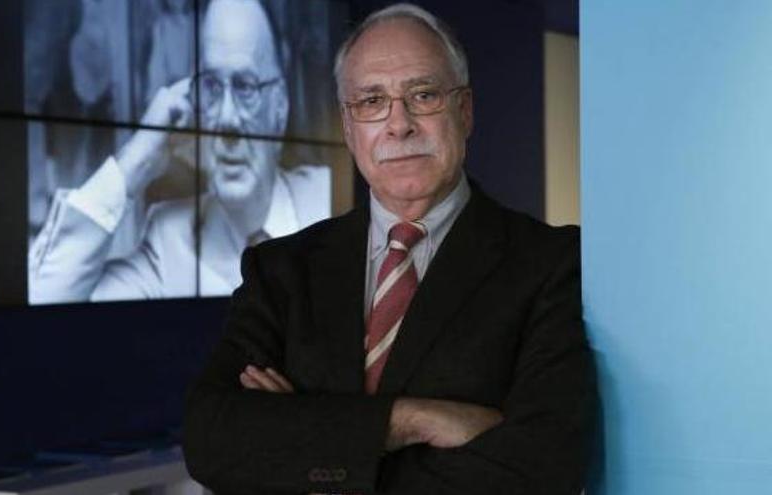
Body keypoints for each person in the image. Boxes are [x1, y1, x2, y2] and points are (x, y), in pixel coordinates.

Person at [181, 3, 595, 494]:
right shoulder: (281, 270)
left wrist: (309, 442)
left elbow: (537, 468)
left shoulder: (552, 263)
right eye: (371, 101)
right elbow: (210, 440)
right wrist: (406, 421)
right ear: (349, 127)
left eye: (422, 96)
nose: (398, 125)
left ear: (464, 111)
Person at [28, 0, 330, 304]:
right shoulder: (166, 241)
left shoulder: (331, 202)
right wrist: (137, 159)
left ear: (280, 108)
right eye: (211, 86)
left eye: (245, 87)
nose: (226, 118)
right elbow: (42, 295)